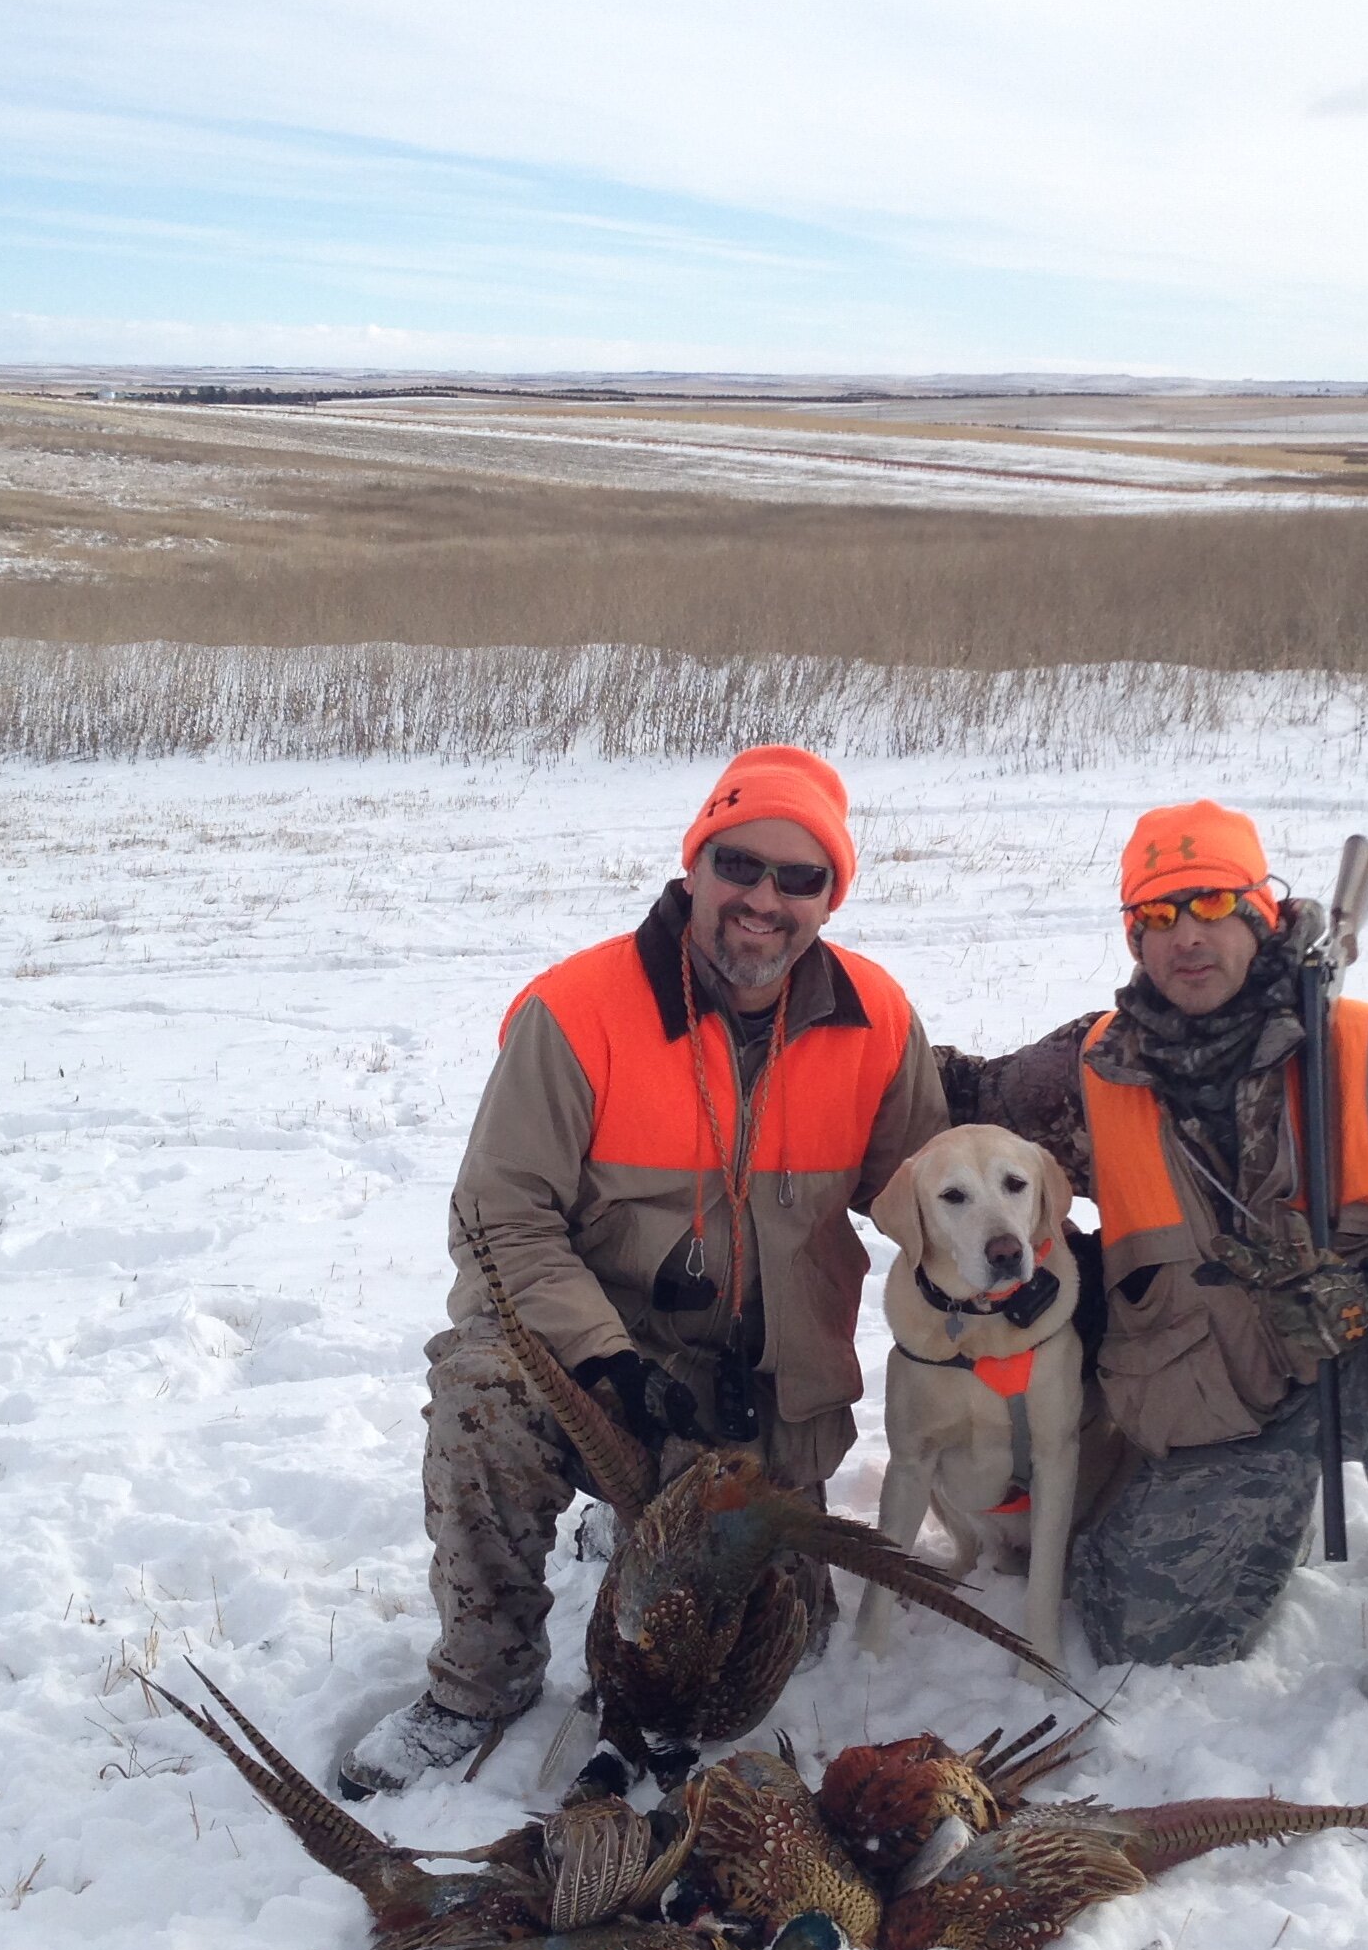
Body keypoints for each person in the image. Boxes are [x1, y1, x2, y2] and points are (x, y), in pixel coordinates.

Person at [337, 745, 949, 1796]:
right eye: (740, 865)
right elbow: (499, 1217)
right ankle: (479, 1682)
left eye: (800, 879)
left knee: (774, 1650)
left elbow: (933, 1185)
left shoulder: (878, 1019)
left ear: (830, 897)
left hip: (761, 1399)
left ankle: (627, 1536)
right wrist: (608, 1362)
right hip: (598, 1371)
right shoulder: (576, 1013)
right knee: (480, 1396)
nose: (764, 900)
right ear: (695, 868)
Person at [937, 799, 1368, 1784]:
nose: (1187, 937)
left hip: (1367, 1366)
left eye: (1211, 904)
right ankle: (1265, 1508)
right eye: (1158, 917)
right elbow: (954, 1097)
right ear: (1133, 935)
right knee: (1141, 1633)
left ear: (1261, 909)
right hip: (1220, 1408)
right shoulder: (1093, 1069)